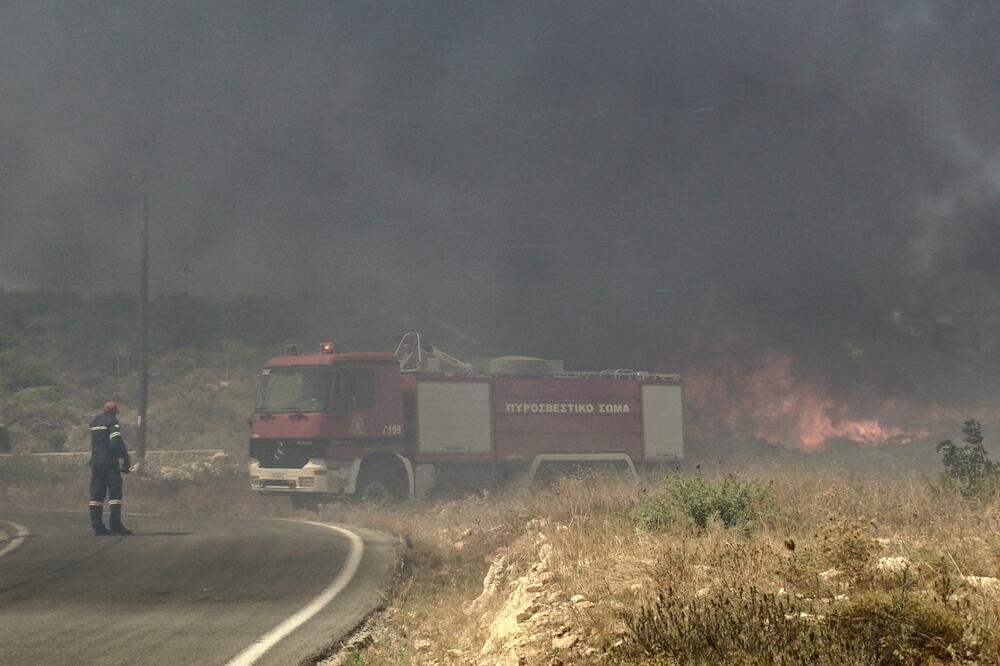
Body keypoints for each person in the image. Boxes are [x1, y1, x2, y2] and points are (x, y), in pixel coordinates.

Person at [89, 401, 132, 535]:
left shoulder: (95, 422)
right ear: (114, 412)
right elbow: (116, 441)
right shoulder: (112, 422)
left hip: (96, 463)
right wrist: (125, 458)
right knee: (115, 495)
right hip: (109, 463)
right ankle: (115, 525)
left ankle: (97, 526)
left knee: (96, 495)